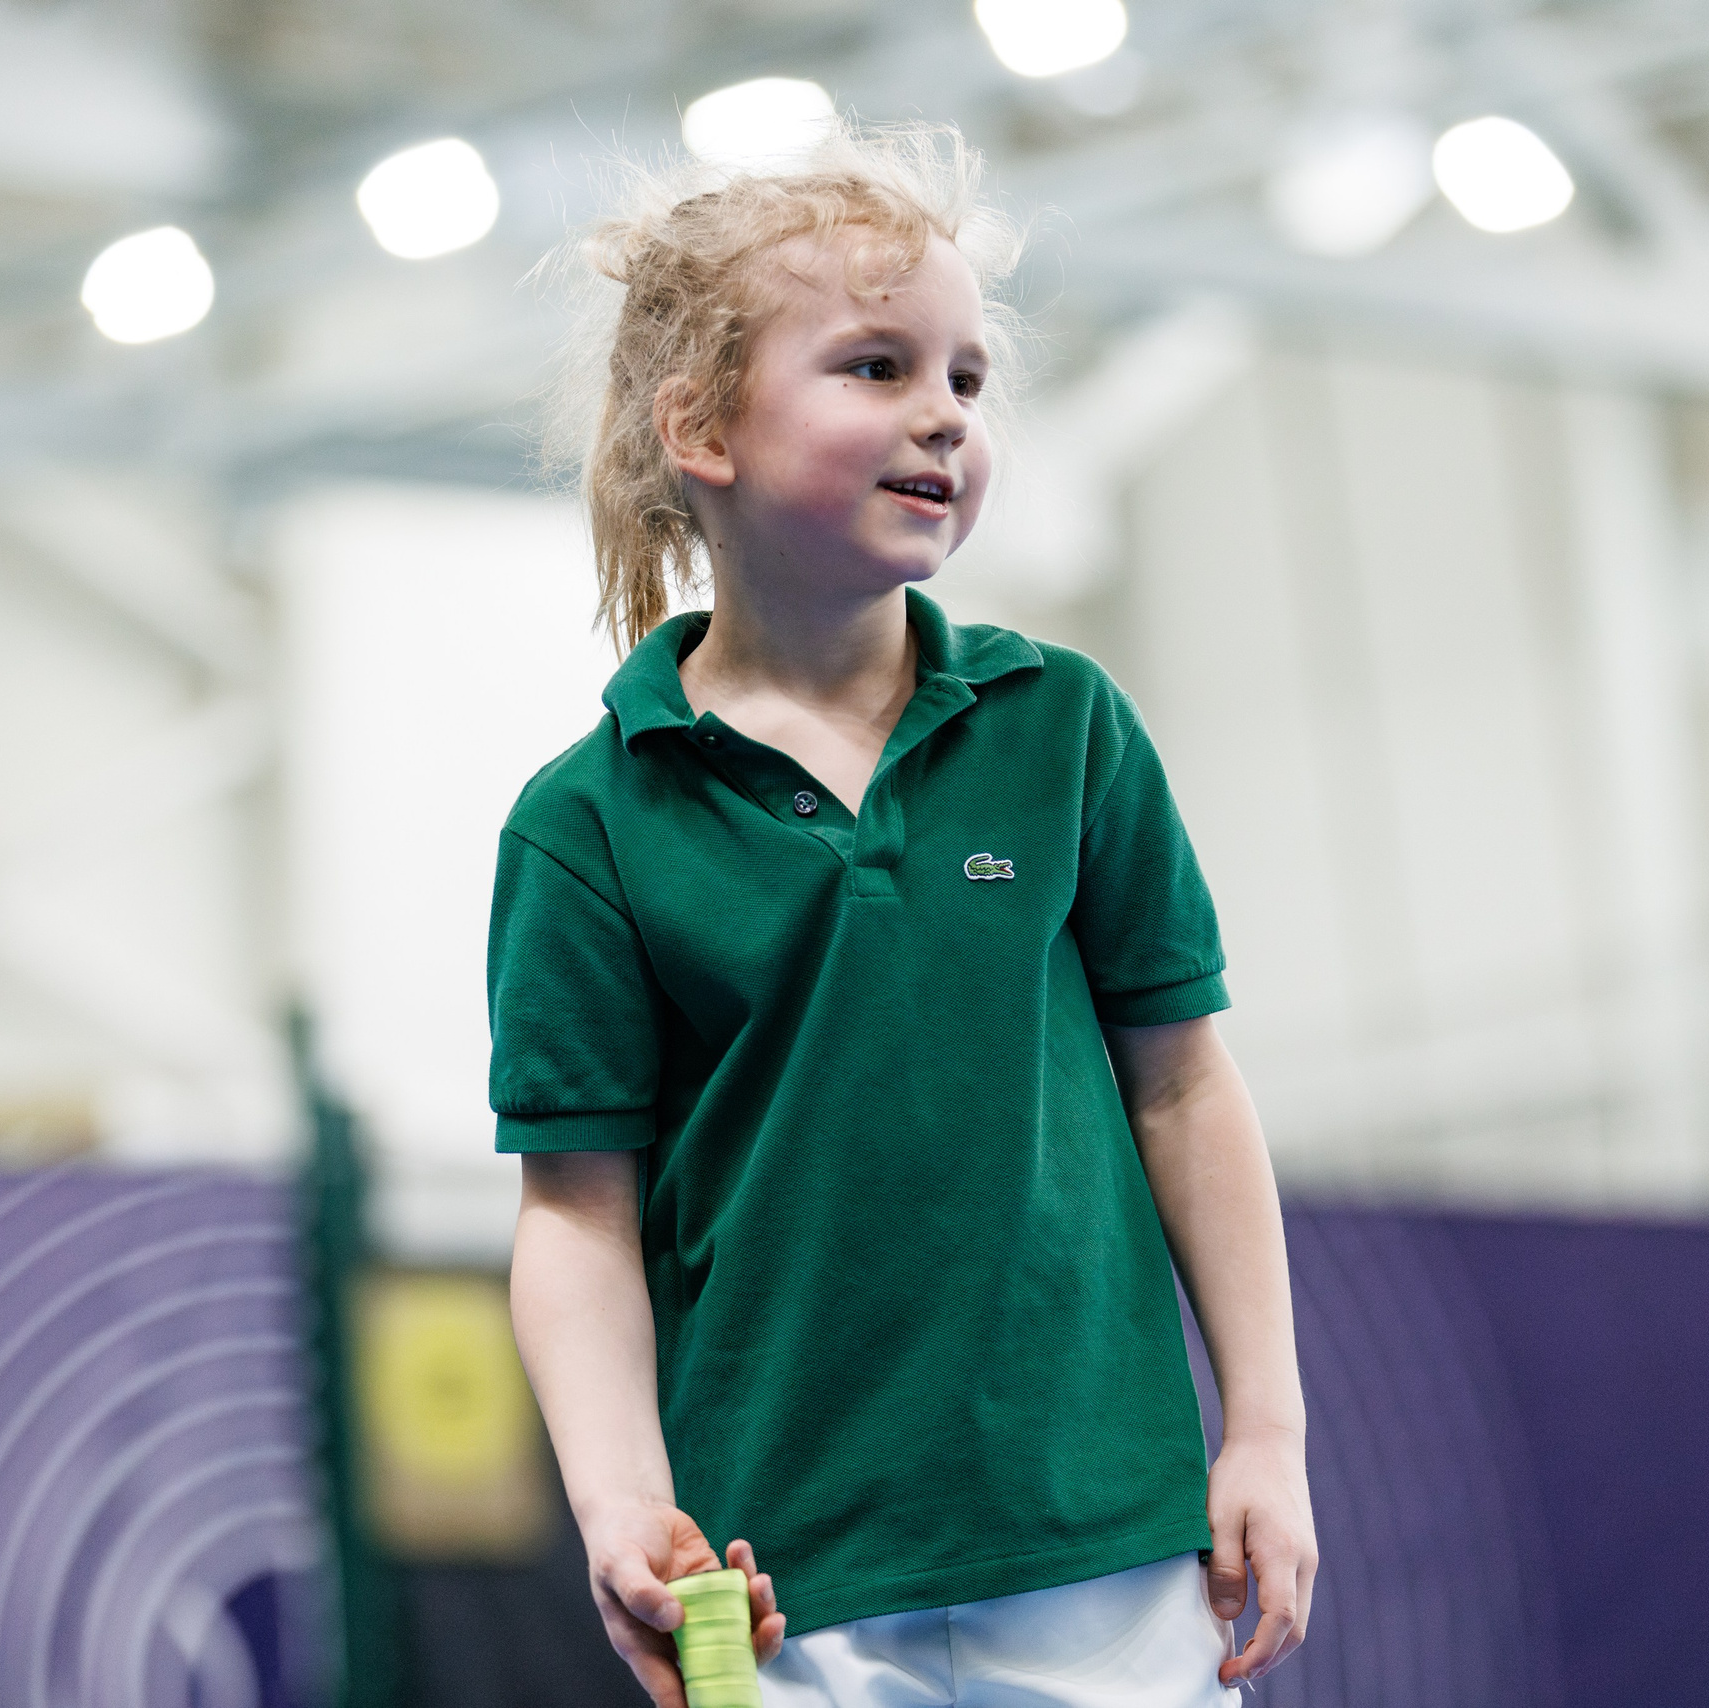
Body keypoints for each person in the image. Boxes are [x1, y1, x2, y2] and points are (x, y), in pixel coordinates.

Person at [489, 121, 1315, 1708]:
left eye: (968, 378)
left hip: (1108, 1551)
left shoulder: (1064, 728)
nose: (942, 412)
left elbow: (1187, 1086)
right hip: (782, 1588)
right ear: (702, 429)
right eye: (875, 366)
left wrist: (1265, 1430)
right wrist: (618, 1505)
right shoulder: (585, 823)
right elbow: (576, 1214)